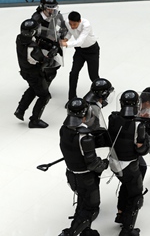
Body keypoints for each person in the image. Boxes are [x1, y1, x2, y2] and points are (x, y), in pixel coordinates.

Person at [58, 98, 108, 236]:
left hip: (71, 174)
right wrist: (104, 164)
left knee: (82, 203)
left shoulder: (64, 130)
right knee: (91, 209)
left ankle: (86, 231)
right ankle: (70, 233)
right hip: (86, 177)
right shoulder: (84, 137)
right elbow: (92, 163)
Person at [108, 90, 150, 236]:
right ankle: (127, 229)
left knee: (126, 186)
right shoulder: (139, 124)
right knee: (136, 195)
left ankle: (120, 214)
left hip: (113, 162)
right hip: (129, 164)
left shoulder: (112, 117)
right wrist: (145, 138)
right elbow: (142, 151)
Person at [14, 19, 56, 128]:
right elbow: (45, 61)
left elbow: (36, 40)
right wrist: (52, 54)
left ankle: (20, 110)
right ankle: (34, 120)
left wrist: (47, 43)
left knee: (33, 89)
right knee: (44, 96)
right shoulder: (33, 49)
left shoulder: (19, 38)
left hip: (25, 71)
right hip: (34, 73)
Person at [61, 11, 99, 100]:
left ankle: (101, 93)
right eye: (71, 24)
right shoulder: (67, 23)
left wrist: (66, 44)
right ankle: (71, 97)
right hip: (79, 51)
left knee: (93, 76)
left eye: (75, 24)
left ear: (80, 21)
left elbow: (79, 41)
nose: (72, 26)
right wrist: (66, 38)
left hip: (92, 50)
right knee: (73, 73)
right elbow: (71, 32)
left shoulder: (86, 25)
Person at [31, 0, 68, 85]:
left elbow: (62, 25)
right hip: (40, 42)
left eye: (53, 8)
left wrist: (62, 32)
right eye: (48, 8)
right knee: (41, 63)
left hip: (52, 41)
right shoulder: (36, 18)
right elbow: (32, 32)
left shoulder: (56, 14)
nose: (51, 10)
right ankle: (38, 82)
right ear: (42, 7)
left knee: (55, 63)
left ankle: (46, 81)